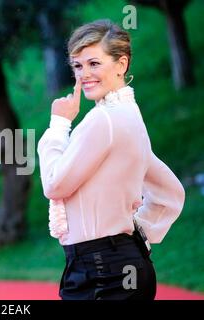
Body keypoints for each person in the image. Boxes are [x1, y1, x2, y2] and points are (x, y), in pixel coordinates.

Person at [37, 19, 186, 300]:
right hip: (119, 266)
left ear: (121, 64)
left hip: (101, 272)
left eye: (94, 63)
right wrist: (130, 236)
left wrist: (58, 125)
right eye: (78, 66)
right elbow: (170, 192)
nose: (84, 74)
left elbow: (55, 185)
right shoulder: (130, 116)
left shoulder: (103, 120)